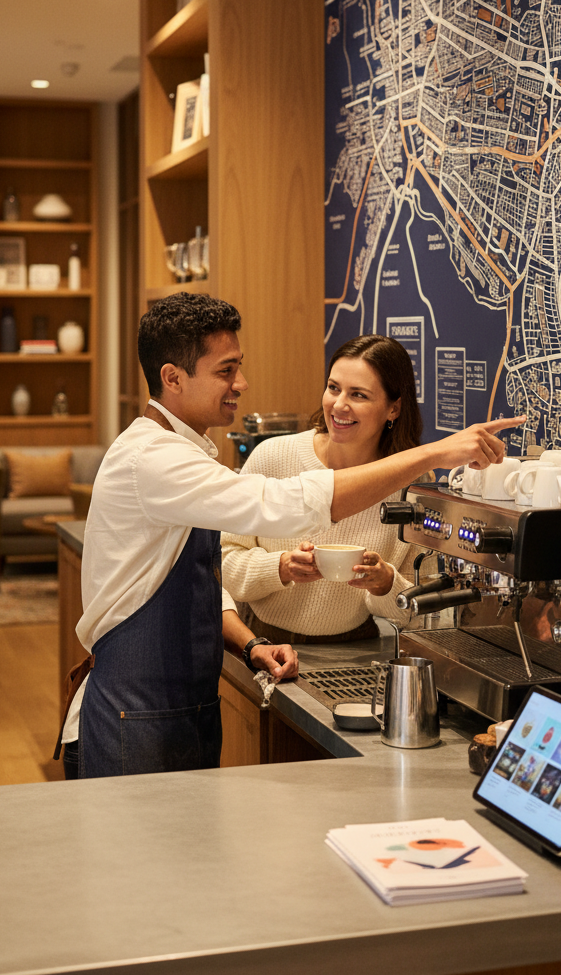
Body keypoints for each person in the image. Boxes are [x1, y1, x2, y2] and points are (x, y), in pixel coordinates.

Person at [57, 293, 523, 779]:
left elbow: (189, 584)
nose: (242, 383)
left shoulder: (185, 453)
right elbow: (285, 503)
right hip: (136, 716)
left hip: (177, 710)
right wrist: (433, 454)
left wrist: (249, 645)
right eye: (226, 370)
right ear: (173, 378)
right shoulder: (154, 460)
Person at [222, 335, 428, 644]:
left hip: (355, 647)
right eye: (333, 388)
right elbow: (223, 563)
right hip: (259, 639)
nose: (339, 404)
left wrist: (385, 584)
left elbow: (418, 609)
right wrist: (280, 567)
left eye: (358, 394)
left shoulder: (412, 485)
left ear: (394, 409)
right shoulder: (272, 457)